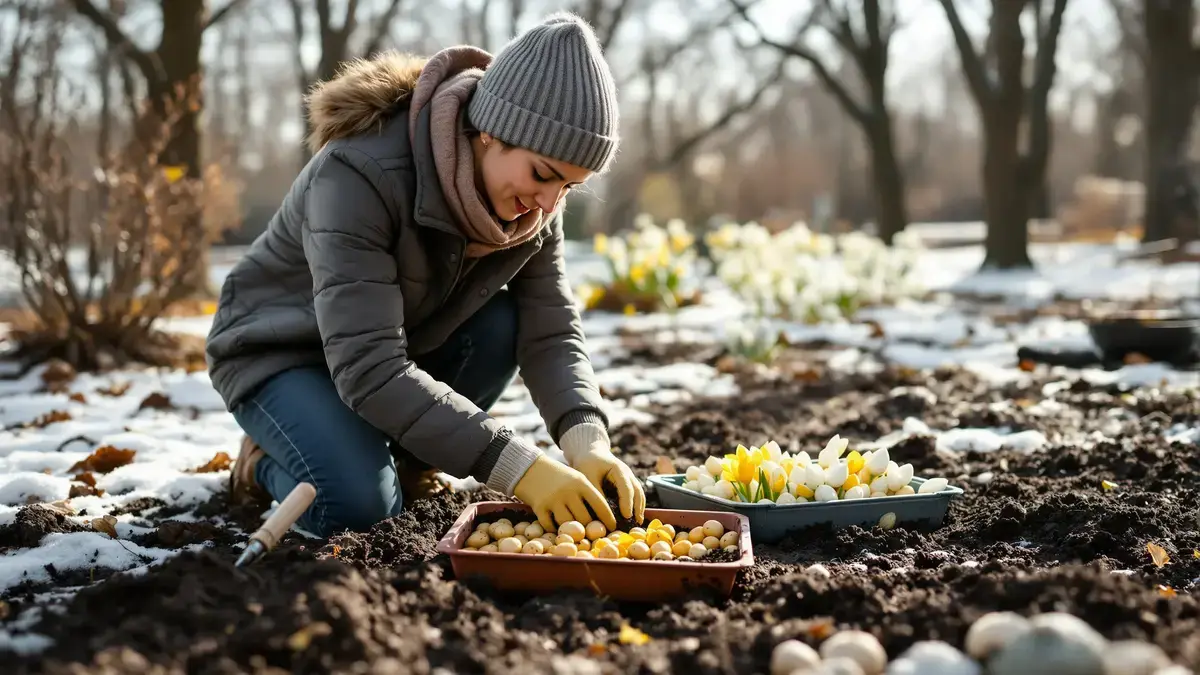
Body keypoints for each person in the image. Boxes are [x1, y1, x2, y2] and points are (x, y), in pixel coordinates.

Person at [205, 12, 645, 538]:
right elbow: (369, 366)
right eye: (544, 175)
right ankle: (259, 464)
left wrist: (586, 441)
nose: (550, 203)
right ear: (490, 131)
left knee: (507, 321)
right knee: (360, 511)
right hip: (282, 354)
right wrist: (519, 468)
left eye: (570, 187)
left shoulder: (533, 208)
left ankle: (404, 463)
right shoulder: (359, 174)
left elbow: (550, 330)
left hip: (390, 351)